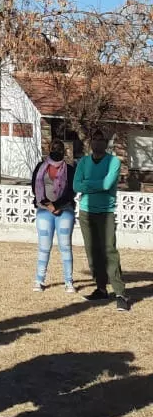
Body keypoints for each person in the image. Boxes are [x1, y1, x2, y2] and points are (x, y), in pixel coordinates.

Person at [74, 130, 130, 311]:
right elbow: (75, 185)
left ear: (106, 143)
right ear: (91, 142)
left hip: (106, 212)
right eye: (95, 139)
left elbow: (107, 185)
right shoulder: (83, 162)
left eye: (101, 140)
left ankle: (120, 294)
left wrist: (88, 184)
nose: (97, 142)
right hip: (86, 212)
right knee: (93, 252)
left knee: (109, 251)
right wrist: (95, 184)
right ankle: (101, 288)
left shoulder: (113, 162)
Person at [30, 140, 77, 295]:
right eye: (54, 148)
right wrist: (49, 205)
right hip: (44, 211)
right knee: (44, 247)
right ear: (49, 149)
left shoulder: (69, 170)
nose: (56, 151)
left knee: (65, 246)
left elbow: (71, 191)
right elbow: (35, 188)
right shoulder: (40, 167)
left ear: (64, 151)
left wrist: (57, 205)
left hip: (65, 211)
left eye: (59, 148)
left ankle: (68, 281)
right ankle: (39, 280)